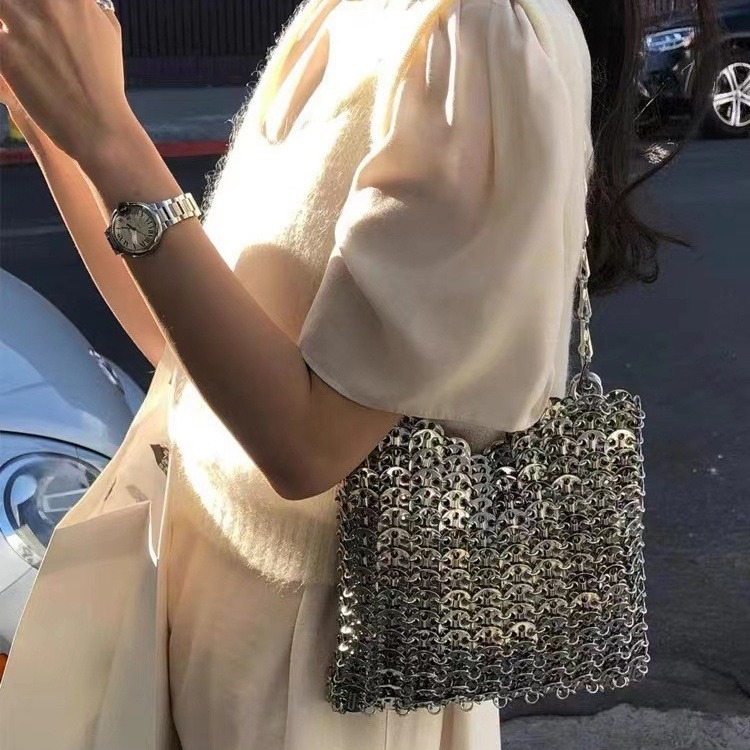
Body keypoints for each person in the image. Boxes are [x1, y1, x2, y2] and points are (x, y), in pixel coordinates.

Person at [0, 0, 717, 749]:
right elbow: (190, 353)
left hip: (322, 682)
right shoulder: (341, 12)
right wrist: (53, 117)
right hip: (192, 624)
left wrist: (108, 135)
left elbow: (307, 447)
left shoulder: (473, 36)